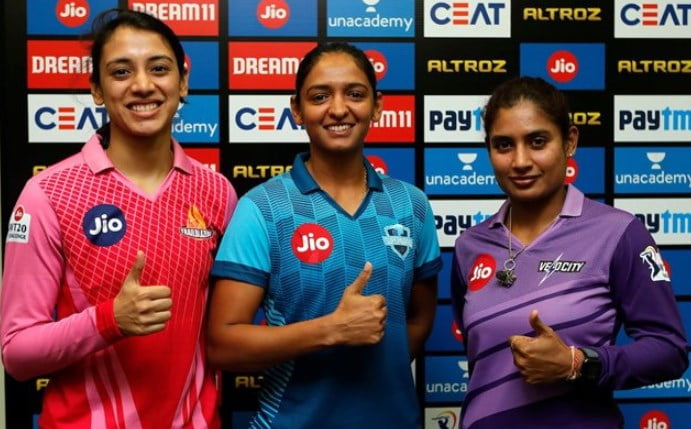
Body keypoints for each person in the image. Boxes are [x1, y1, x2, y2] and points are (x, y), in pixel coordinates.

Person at [0, 9, 236, 429]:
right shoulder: (48, 194)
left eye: (159, 68)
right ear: (96, 88)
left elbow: (228, 330)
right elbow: (17, 353)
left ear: (182, 82)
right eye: (121, 71)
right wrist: (108, 321)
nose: (143, 85)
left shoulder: (217, 191)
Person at [208, 41, 442, 428]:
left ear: (377, 106)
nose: (338, 109)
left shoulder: (411, 205)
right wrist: (332, 330)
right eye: (320, 96)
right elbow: (223, 346)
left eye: (355, 94)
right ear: (297, 109)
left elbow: (418, 321)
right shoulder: (262, 208)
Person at [450, 76, 688, 429]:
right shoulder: (470, 245)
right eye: (504, 145)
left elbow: (669, 350)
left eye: (537, 141)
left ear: (570, 141)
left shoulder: (618, 233)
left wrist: (578, 362)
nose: (520, 160)